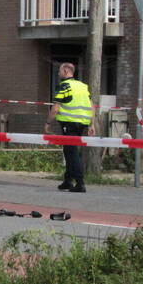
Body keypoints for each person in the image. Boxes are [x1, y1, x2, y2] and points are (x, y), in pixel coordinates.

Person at [44, 62, 95, 193]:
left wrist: (48, 123)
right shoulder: (83, 86)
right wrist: (91, 124)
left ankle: (80, 182)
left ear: (66, 71)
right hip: (82, 122)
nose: (58, 73)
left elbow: (56, 107)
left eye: (59, 71)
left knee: (71, 151)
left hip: (70, 123)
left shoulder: (64, 86)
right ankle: (68, 180)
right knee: (68, 150)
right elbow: (91, 106)